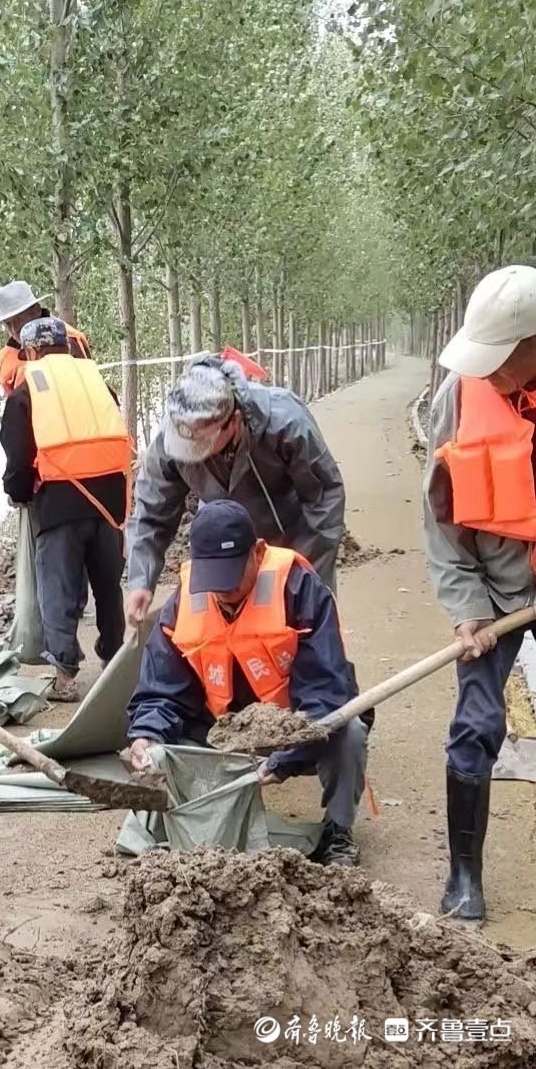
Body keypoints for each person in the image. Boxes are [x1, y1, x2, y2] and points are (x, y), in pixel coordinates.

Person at [126, 500, 369, 867]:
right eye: (213, 579)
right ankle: (186, 825)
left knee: (348, 731)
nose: (222, 591)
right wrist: (146, 735)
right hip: (219, 731)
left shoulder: (300, 589)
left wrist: (287, 757)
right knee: (160, 751)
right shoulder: (183, 604)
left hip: (294, 726)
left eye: (231, 576)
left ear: (257, 552)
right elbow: (161, 692)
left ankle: (338, 830)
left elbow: (328, 692)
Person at [425, 263, 536, 920]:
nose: (489, 371)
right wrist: (466, 608)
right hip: (495, 590)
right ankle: (463, 875)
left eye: (503, 359)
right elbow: (440, 518)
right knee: (476, 725)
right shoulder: (460, 397)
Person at [125, 354, 345, 628]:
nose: (192, 452)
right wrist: (140, 581)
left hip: (291, 540)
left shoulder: (285, 422)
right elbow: (151, 513)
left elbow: (324, 498)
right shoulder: (173, 440)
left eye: (201, 443)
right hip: (223, 554)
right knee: (225, 639)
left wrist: (303, 573)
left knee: (301, 628)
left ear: (234, 421)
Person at [0, 317, 130, 701]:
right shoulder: (96, 382)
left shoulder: (27, 392)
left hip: (59, 502)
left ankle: (65, 677)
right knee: (108, 586)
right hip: (109, 502)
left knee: (59, 590)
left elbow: (18, 458)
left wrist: (18, 492)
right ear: (67, 346)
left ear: (32, 351)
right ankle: (115, 663)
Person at [0, 279, 92, 396]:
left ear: (36, 311)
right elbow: (12, 403)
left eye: (18, 319)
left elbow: (91, 385)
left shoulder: (72, 339)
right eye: (8, 323)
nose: (14, 329)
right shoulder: (5, 360)